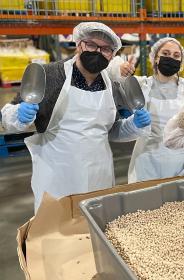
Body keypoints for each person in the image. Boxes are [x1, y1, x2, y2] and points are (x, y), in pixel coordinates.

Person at [1, 22, 151, 212]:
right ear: (78, 45)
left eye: (105, 49)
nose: (97, 52)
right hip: (58, 177)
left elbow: (109, 131)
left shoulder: (110, 86)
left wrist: (133, 125)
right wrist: (18, 116)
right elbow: (8, 118)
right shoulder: (49, 75)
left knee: (95, 226)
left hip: (99, 175)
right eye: (90, 45)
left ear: (112, 56)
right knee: (58, 230)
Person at [106, 37, 184, 183]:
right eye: (165, 54)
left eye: (176, 56)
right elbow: (106, 82)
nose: (171, 58)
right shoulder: (140, 86)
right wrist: (118, 70)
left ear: (180, 63)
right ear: (155, 58)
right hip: (148, 162)